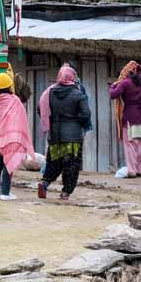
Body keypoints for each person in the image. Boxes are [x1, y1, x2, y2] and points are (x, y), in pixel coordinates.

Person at [37, 64, 92, 200]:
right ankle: (65, 192)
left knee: (54, 162)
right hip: (73, 138)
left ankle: (45, 183)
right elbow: (86, 115)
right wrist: (76, 121)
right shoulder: (78, 95)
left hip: (55, 136)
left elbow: (40, 109)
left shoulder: (49, 93)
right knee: (71, 165)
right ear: (72, 77)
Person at [0, 72, 34, 201]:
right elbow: (21, 118)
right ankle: (5, 193)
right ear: (9, 86)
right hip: (8, 137)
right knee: (8, 164)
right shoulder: (14, 100)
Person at [109, 60, 141, 178]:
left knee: (130, 145)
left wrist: (113, 86)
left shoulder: (124, 83)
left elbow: (113, 95)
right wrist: (138, 65)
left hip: (129, 116)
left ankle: (132, 171)